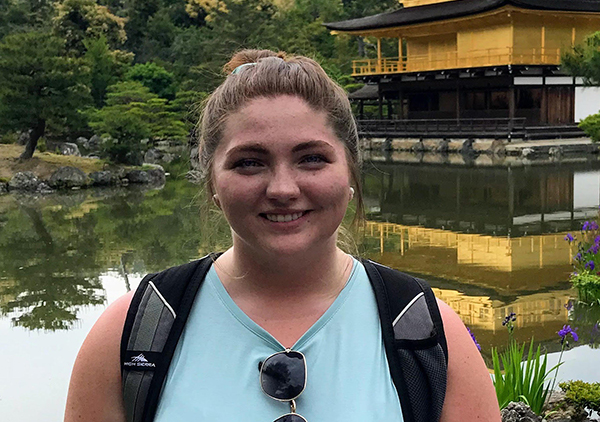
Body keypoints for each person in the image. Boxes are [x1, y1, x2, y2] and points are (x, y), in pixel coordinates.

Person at [64, 49, 501, 422]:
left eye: (311, 158)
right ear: (212, 183)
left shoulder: (426, 332)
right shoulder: (133, 333)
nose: (283, 190)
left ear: (350, 171)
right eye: (249, 163)